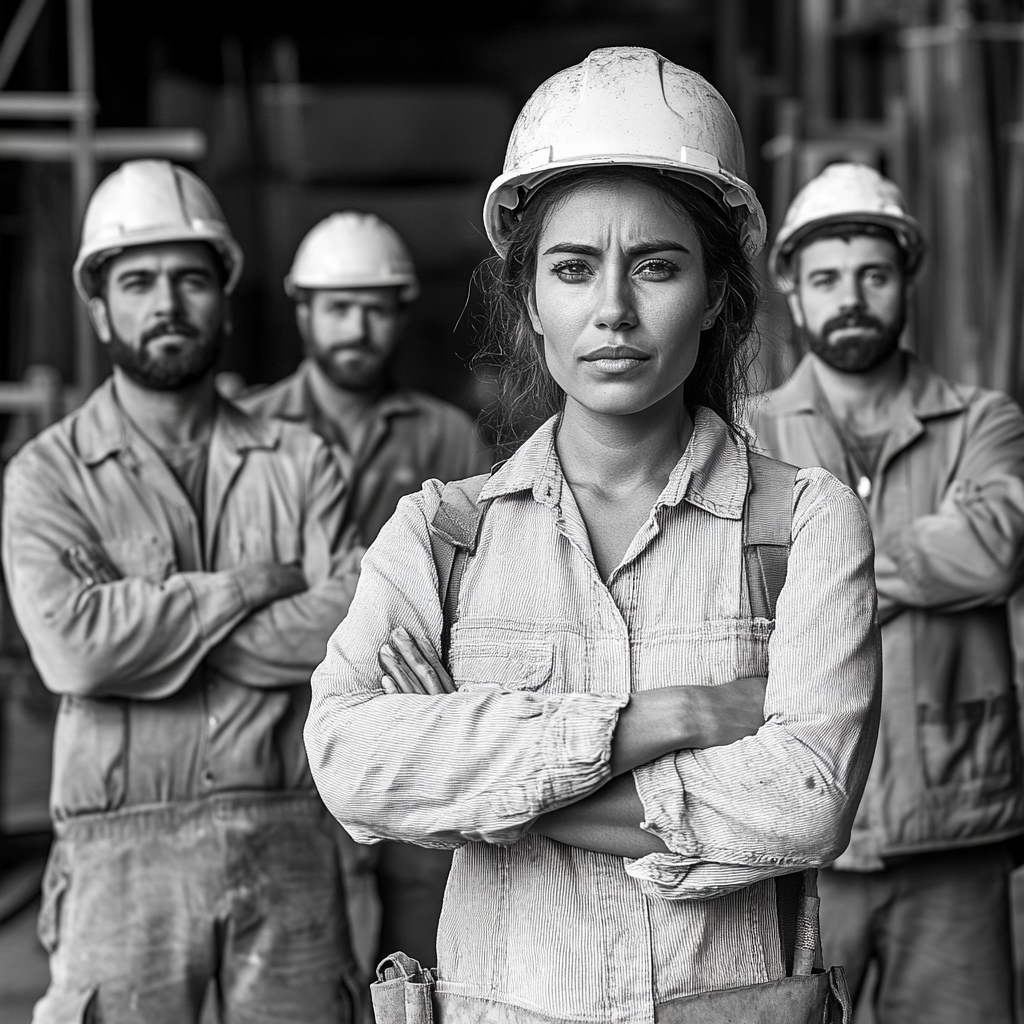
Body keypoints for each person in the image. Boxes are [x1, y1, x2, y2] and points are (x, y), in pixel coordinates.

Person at [304, 48, 881, 1023]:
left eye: (656, 265)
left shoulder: (805, 520)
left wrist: (490, 793)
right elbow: (352, 764)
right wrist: (660, 720)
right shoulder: (443, 532)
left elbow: (807, 798)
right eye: (574, 268)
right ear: (530, 300)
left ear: (714, 297)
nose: (612, 309)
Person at [2, 159, 363, 1023]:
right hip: (116, 852)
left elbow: (351, 632)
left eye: (189, 278)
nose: (165, 303)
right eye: (137, 282)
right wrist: (247, 589)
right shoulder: (47, 476)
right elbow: (74, 650)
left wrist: (146, 624)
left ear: (224, 297)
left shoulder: (303, 461)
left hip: (288, 838)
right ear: (99, 306)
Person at [750, 162, 1024, 1024]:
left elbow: (994, 550)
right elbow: (741, 596)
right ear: (793, 292)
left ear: (906, 280)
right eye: (826, 278)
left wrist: (820, 578)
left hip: (955, 823)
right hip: (795, 829)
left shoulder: (985, 421)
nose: (851, 298)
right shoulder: (743, 433)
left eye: (872, 274)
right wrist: (918, 564)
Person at [240, 210, 489, 973]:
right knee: (304, 978)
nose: (357, 326)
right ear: (304, 311)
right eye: (339, 307)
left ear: (401, 314)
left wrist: (305, 601)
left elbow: (474, 606)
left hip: (415, 744)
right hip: (276, 758)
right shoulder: (246, 433)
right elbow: (241, 628)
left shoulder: (449, 439)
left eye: (375, 308)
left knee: (419, 971)